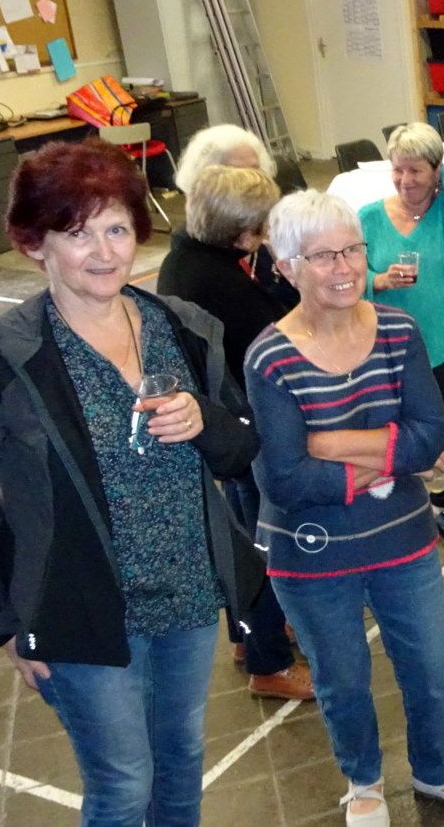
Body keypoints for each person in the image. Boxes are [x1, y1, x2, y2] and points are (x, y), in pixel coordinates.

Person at [0, 139, 264, 825]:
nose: (104, 252)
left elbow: (240, 449)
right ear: (34, 244)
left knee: (180, 769)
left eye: (117, 229)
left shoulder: (182, 327)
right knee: (123, 787)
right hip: (77, 614)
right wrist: (1, 625)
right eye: (77, 233)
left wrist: (205, 420)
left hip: (189, 597)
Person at [246, 191, 444, 825]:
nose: (344, 268)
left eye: (352, 250)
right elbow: (284, 479)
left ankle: (436, 771)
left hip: (402, 539)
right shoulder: (269, 358)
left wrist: (327, 443)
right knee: (341, 679)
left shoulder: (398, 330)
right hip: (312, 553)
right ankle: (363, 782)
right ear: (287, 266)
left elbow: (430, 436)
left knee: (430, 666)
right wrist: (394, 456)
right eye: (323, 256)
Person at [156, 164, 314, 702]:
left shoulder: (190, 256)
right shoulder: (216, 280)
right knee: (257, 542)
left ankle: (251, 639)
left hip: (223, 424)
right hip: (239, 427)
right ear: (237, 232)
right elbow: (274, 334)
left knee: (246, 536)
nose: (266, 235)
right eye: (260, 227)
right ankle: (269, 663)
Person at [359, 122, 444, 549]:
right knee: (397, 429)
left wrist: (438, 174)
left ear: (437, 170)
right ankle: (400, 503)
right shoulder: (369, 218)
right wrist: (378, 281)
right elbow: (352, 276)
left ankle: (441, 504)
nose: (405, 180)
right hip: (394, 350)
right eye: (397, 169)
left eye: (416, 170)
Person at [175, 123, 298, 310]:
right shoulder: (196, 248)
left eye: (256, 170)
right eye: (238, 173)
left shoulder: (267, 225)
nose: (252, 180)